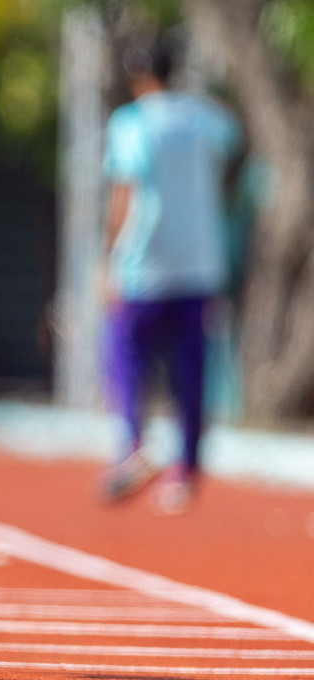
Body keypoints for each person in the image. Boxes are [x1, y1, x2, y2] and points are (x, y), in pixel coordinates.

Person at [98, 36, 241, 514]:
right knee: (191, 370)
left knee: (125, 357)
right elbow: (234, 133)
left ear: (139, 77)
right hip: (200, 263)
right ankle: (184, 471)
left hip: (144, 263)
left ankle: (136, 446)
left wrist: (109, 259)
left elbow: (124, 190)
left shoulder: (132, 122)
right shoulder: (203, 118)